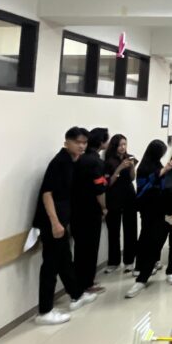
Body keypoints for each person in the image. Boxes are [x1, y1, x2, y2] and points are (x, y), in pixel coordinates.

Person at [34, 127, 96, 325]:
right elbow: (47, 194)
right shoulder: (60, 162)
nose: (81, 146)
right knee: (50, 266)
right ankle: (44, 311)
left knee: (65, 260)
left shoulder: (71, 161)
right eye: (77, 142)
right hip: (52, 223)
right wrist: (55, 223)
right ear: (66, 142)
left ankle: (76, 295)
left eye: (84, 142)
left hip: (62, 220)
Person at [125, 139, 172, 298]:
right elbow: (144, 187)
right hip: (156, 211)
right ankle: (142, 275)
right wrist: (163, 171)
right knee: (152, 239)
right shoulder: (149, 167)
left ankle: (171, 271)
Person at [71, 127, 109, 296]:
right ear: (101, 142)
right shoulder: (96, 162)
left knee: (80, 249)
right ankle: (87, 284)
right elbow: (99, 189)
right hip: (90, 211)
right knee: (90, 249)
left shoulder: (79, 159)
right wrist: (104, 207)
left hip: (76, 209)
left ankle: (80, 282)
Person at [103, 134, 138, 274]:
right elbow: (108, 183)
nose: (123, 147)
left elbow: (132, 178)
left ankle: (129, 260)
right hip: (114, 197)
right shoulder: (108, 161)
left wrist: (132, 167)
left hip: (129, 195)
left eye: (124, 144)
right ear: (114, 146)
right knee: (114, 230)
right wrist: (119, 168)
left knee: (130, 229)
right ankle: (113, 261)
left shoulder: (130, 157)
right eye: (120, 145)